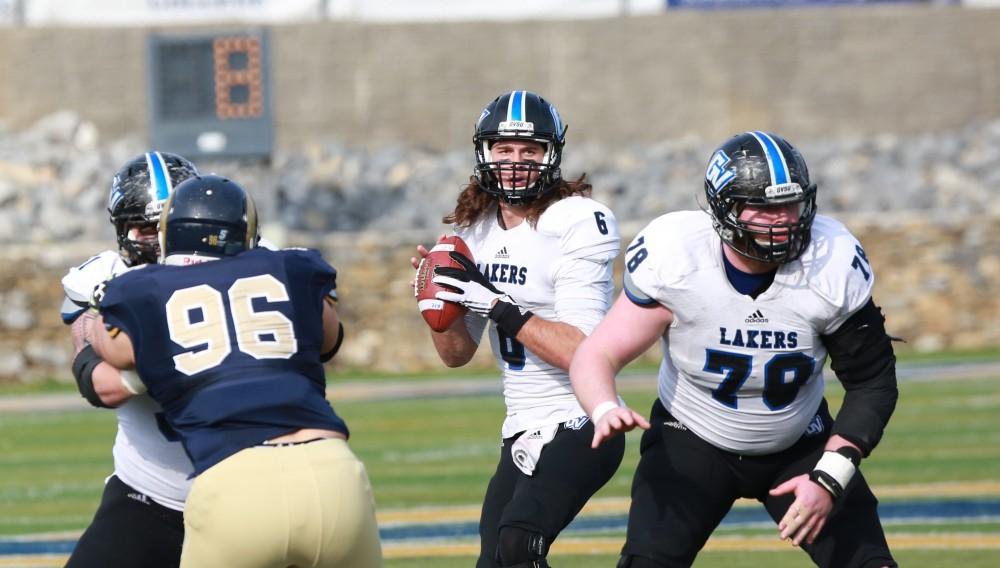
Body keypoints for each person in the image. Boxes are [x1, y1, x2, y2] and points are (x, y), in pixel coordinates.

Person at [568, 131, 899, 568]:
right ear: (724, 209)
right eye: (763, 207)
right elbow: (597, 354)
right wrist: (603, 406)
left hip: (800, 443)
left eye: (789, 204)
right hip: (693, 439)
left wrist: (830, 478)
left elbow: (872, 382)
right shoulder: (678, 256)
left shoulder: (830, 260)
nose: (781, 219)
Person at [88, 175, 383, 567]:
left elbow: (111, 349)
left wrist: (92, 316)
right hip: (334, 474)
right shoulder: (289, 267)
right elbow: (330, 338)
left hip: (237, 482)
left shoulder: (147, 289)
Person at [411, 90, 625, 568]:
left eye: (530, 151)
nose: (515, 161)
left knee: (518, 543)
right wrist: (434, 304)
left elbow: (583, 351)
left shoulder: (578, 221)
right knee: (495, 562)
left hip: (583, 418)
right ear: (484, 153)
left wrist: (496, 304)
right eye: (504, 149)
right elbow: (455, 354)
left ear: (552, 156)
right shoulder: (472, 230)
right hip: (521, 425)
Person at [61, 151, 198, 567]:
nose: (158, 240)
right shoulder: (102, 279)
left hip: (240, 491)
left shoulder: (247, 264)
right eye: (145, 227)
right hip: (149, 494)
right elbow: (95, 381)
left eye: (167, 226)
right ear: (121, 230)